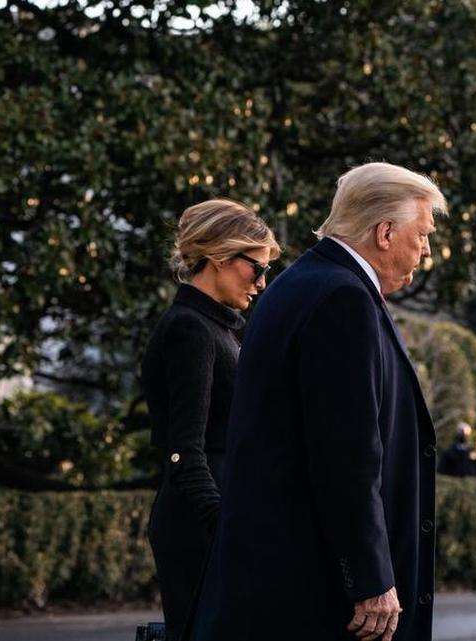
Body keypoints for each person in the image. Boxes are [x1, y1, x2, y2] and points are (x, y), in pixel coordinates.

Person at [192, 162, 446, 641]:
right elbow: (345, 456)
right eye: (423, 233)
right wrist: (370, 578)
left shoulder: (305, 284)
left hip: (277, 581)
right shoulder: (341, 299)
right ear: (386, 232)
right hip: (314, 594)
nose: (427, 248)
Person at [140, 199, 280, 641]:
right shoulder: (191, 330)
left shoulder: (219, 328)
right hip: (198, 526)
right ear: (220, 257)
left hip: (217, 517)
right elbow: (186, 450)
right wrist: (224, 525)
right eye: (255, 268)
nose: (262, 282)